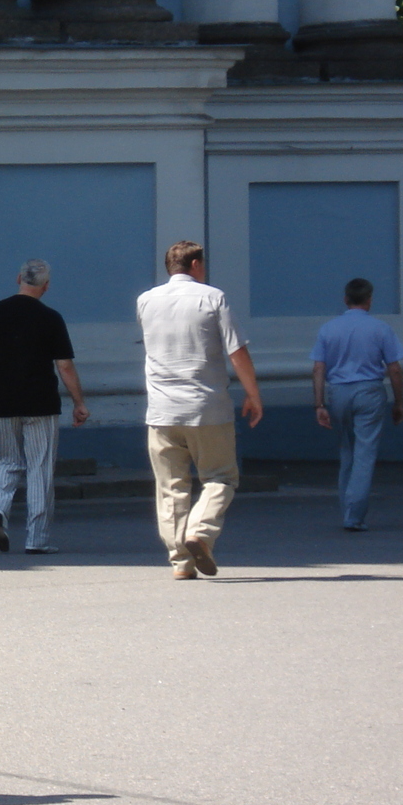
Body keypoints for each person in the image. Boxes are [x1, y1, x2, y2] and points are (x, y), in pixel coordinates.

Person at [136, 241, 263, 579]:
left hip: (161, 410)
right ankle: (200, 533)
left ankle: (180, 561)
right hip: (207, 408)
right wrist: (253, 394)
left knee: (171, 488)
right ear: (195, 264)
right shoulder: (212, 297)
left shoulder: (146, 301)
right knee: (221, 477)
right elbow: (237, 351)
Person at [0, 259, 89, 555]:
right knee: (39, 470)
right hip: (41, 404)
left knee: (6, 462)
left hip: (3, 401)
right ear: (46, 286)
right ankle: (37, 539)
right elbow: (64, 366)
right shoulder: (50, 318)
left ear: (18, 278)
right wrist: (79, 402)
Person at [311, 278, 403, 531]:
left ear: (345, 299)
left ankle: (347, 508)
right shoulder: (381, 329)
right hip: (369, 392)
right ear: (369, 300)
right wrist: (399, 402)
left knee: (347, 451)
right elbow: (394, 369)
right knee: (365, 452)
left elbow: (318, 368)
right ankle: (354, 515)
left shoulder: (328, 329)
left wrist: (319, 404)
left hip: (338, 393)